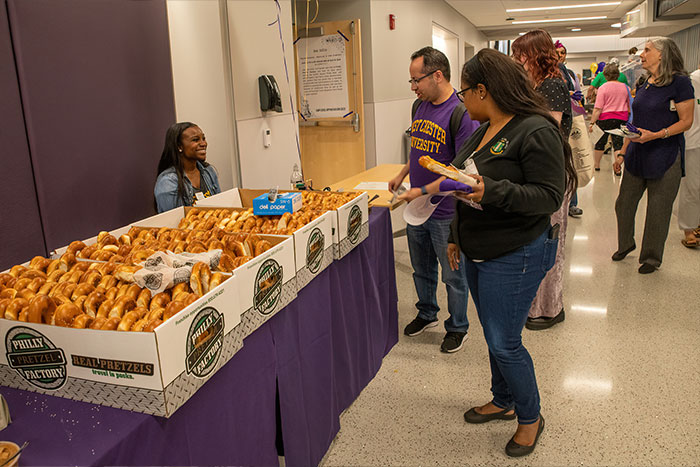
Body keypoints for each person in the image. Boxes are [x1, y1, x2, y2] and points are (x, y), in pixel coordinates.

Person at [422, 48, 571, 457]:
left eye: (466, 91)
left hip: (517, 250)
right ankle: (503, 400)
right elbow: (458, 180)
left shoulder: (534, 130)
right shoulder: (482, 128)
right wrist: (454, 233)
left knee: (505, 341)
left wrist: (492, 190)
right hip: (477, 247)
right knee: (492, 334)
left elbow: (548, 196)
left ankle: (531, 417)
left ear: (483, 90)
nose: (462, 99)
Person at [388, 47, 479, 353]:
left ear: (437, 75)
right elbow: (419, 150)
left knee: (453, 275)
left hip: (447, 212)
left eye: (417, 80)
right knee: (421, 268)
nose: (413, 87)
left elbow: (461, 174)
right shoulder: (419, 106)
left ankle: (458, 327)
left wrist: (422, 191)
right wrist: (403, 174)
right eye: (411, 81)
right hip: (417, 206)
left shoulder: (461, 114)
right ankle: (427, 313)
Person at [612, 38, 695, 274]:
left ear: (662, 54)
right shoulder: (645, 82)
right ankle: (626, 244)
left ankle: (650, 258)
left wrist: (657, 135)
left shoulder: (680, 83)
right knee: (624, 204)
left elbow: (686, 122)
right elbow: (634, 122)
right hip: (638, 152)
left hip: (666, 154)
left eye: (647, 50)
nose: (642, 54)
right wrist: (621, 152)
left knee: (658, 210)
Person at [512, 29, 573, 330]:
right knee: (537, 238)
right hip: (539, 172)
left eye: (520, 54)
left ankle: (550, 308)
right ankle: (535, 305)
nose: (516, 60)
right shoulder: (538, 85)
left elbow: (546, 132)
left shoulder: (552, 86)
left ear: (535, 55)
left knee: (550, 242)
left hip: (552, 173)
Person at [154, 122, 221, 213]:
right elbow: (174, 221)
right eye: (195, 140)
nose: (203, 143)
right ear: (179, 146)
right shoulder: (168, 181)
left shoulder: (208, 171)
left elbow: (220, 208)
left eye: (203, 138)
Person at [555, 40, 586, 217]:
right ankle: (565, 202)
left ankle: (572, 202)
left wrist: (575, 96)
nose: (561, 56)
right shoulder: (553, 74)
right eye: (557, 53)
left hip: (571, 118)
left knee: (572, 160)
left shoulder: (570, 73)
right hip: (560, 122)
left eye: (563, 53)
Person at [589, 63, 630, 174]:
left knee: (600, 142)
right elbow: (629, 104)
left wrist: (592, 122)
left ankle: (596, 166)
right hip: (621, 118)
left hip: (605, 118)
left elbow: (598, 108)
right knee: (618, 143)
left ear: (606, 75)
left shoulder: (603, 88)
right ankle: (617, 167)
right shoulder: (626, 88)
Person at [677, 64, 700, 248]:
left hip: (694, 141)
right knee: (692, 187)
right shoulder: (691, 80)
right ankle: (689, 229)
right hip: (693, 141)